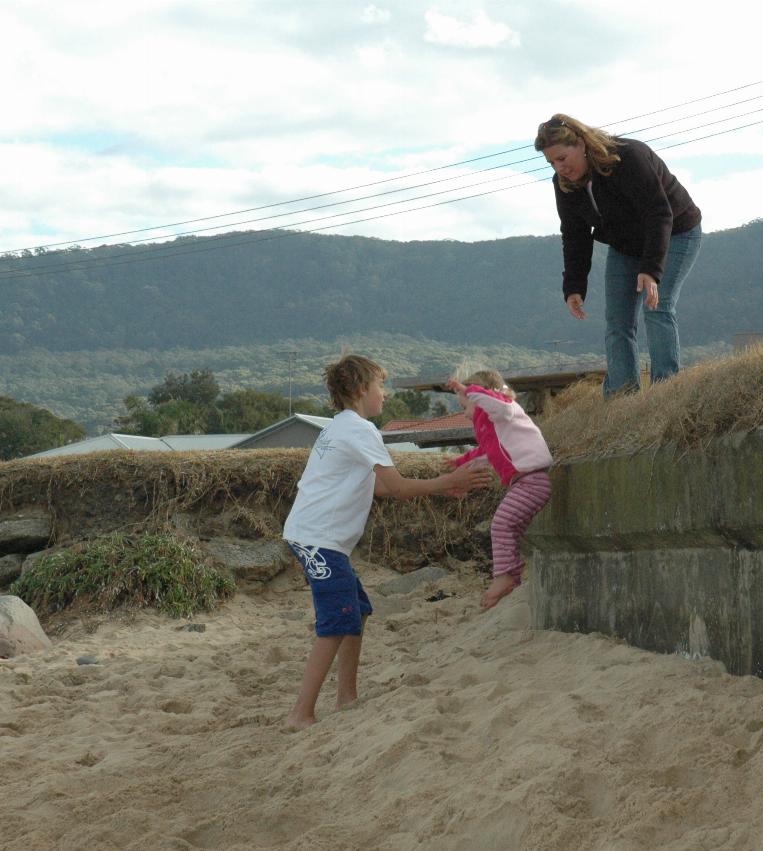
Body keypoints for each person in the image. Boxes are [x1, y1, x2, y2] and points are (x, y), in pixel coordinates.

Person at [282, 354, 491, 729]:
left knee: (356, 609)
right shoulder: (360, 430)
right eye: (381, 386)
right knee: (335, 621)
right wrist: (451, 481)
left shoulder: (341, 427)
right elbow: (396, 485)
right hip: (318, 540)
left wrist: (444, 488)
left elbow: (377, 487)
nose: (385, 395)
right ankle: (301, 713)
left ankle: (347, 696)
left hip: (317, 537)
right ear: (362, 389)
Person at [535, 113, 704, 397]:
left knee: (657, 306)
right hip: (625, 247)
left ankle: (667, 392)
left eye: (562, 158)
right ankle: (622, 397)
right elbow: (575, 234)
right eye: (552, 162)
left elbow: (659, 213)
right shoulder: (564, 184)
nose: (559, 168)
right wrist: (574, 286)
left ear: (581, 143)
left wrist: (651, 270)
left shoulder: (628, 158)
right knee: (618, 322)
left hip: (675, 232)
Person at [445, 369, 553, 610]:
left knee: (501, 524)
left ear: (482, 397)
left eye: (466, 407)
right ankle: (511, 576)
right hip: (525, 482)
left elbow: (497, 405)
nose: (465, 415)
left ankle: (505, 576)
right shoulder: (498, 430)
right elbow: (485, 454)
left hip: (532, 481)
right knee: (509, 530)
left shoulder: (508, 411)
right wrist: (459, 465)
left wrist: (469, 391)